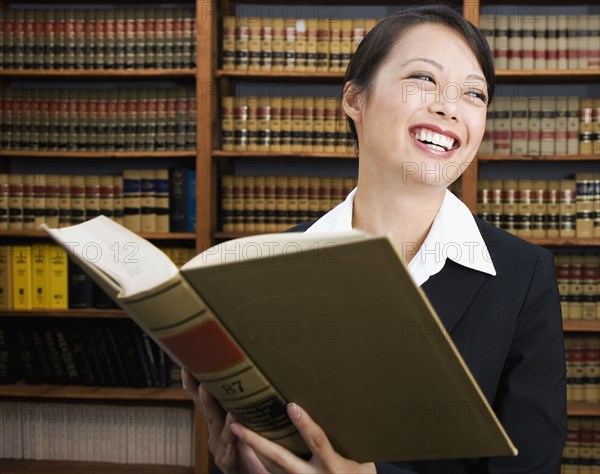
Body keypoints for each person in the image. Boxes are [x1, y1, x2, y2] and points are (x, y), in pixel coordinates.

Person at [182, 4, 567, 473]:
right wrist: (234, 465)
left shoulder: (522, 276)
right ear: (354, 99)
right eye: (424, 78)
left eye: (474, 94)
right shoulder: (267, 269)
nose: (448, 106)